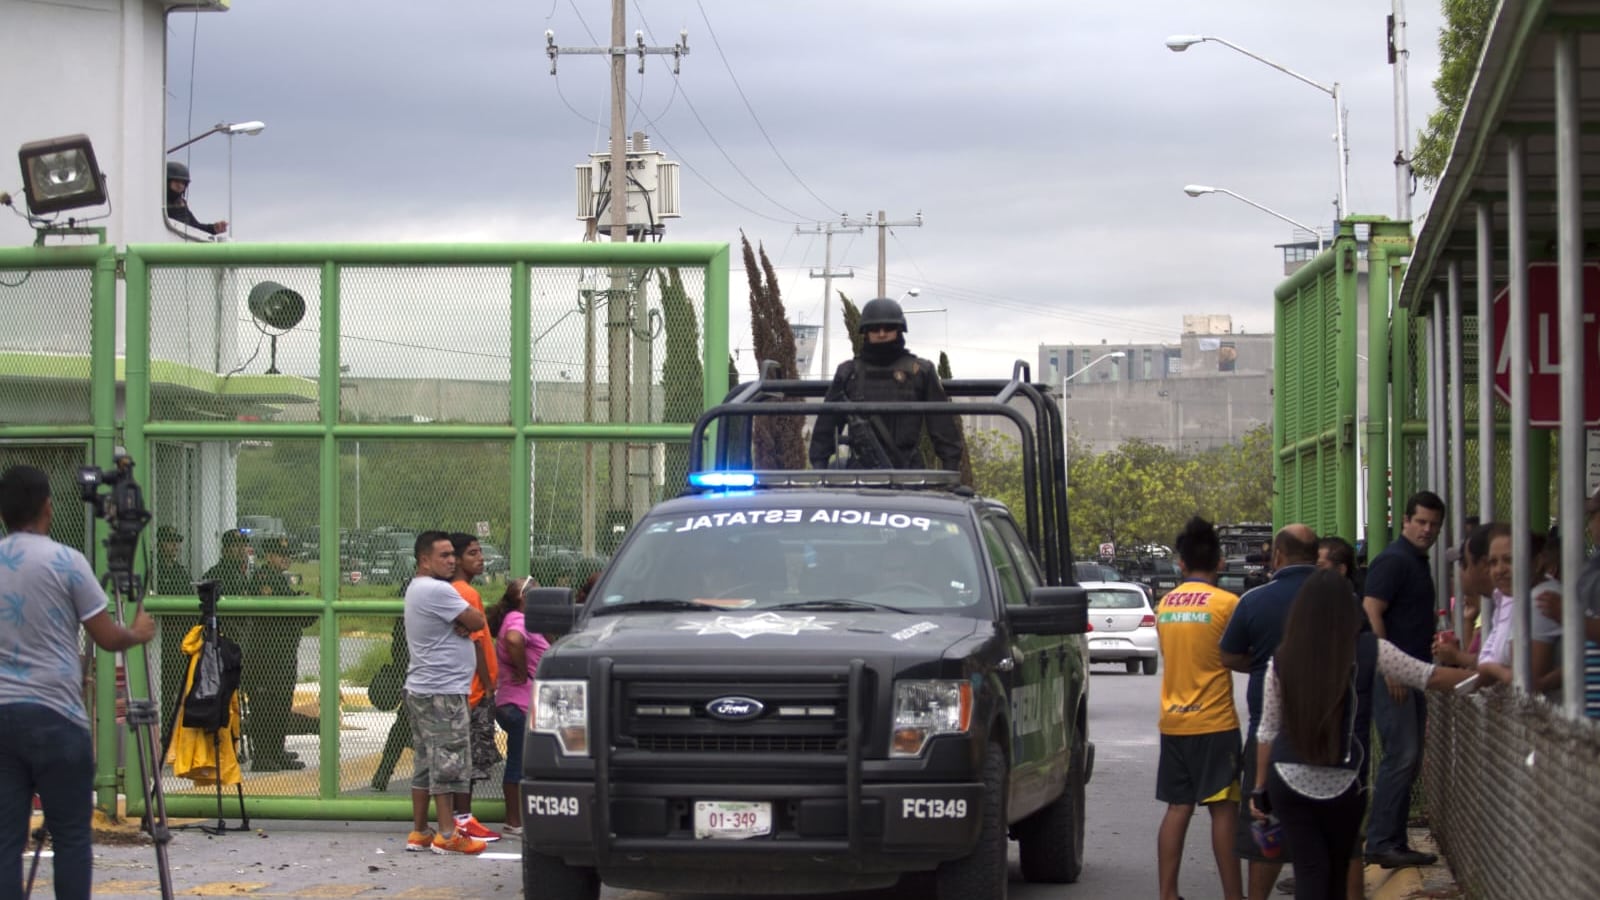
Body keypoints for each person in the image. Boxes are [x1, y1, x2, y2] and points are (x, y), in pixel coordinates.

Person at [1250, 570, 1475, 900]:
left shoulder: (1283, 658)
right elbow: (1429, 676)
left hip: (1288, 779)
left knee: (1309, 871)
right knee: (1337, 872)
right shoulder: (1371, 649)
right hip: (1345, 783)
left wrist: (1259, 788)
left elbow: (1268, 728)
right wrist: (1486, 674)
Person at [0, 465, 157, 900]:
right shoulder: (67, 562)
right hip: (57, 719)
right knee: (71, 839)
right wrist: (138, 632)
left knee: (5, 844)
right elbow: (107, 638)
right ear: (48, 508)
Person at [1219, 524, 1319, 900]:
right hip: (1330, 736)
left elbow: (1227, 654)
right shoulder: (1339, 599)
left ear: (1277, 556)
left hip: (1270, 738)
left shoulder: (1255, 601)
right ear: (1315, 556)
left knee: (1266, 824)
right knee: (1328, 831)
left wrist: (1263, 665)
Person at [1154, 517, 1244, 900]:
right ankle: (1233, 896)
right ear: (1220, 562)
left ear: (1181, 563)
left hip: (1174, 721)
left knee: (1178, 807)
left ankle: (1168, 893)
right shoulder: (1228, 605)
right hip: (1215, 722)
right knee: (1223, 810)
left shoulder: (1164, 605)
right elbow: (1237, 657)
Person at [1361, 490, 1444, 869]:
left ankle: (1392, 839)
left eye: (1433, 524)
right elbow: (1371, 609)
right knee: (1401, 756)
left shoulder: (1416, 561)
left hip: (1414, 673)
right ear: (1406, 521)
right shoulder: (1394, 561)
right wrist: (1388, 665)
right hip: (1395, 675)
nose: (1427, 530)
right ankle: (1381, 841)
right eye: (1421, 522)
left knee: (1408, 760)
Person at [403, 531, 488, 855]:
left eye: (453, 554)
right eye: (444, 555)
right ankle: (448, 834)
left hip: (422, 688)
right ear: (425, 559)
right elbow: (477, 618)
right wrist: (468, 622)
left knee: (426, 761)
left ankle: (420, 831)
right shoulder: (438, 590)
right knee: (449, 761)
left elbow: (470, 622)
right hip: (443, 691)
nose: (452, 560)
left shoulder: (416, 588)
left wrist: (467, 623)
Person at [807, 297, 964, 471]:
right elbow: (825, 430)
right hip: (860, 474)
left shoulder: (919, 372)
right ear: (866, 332)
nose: (882, 333)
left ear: (899, 330)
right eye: (875, 328)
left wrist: (951, 472)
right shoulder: (849, 373)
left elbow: (943, 429)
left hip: (908, 472)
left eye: (888, 328)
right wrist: (819, 472)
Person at [447, 533, 501, 843]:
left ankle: (460, 817)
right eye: (472, 553)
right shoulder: (465, 593)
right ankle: (463, 819)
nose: (480, 558)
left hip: (469, 689)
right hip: (474, 690)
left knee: (465, 757)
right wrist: (489, 685)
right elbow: (477, 643)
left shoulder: (459, 591)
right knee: (467, 758)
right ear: (456, 559)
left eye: (480, 552)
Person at [488, 575, 552, 837]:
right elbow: (514, 640)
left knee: (522, 760)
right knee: (518, 762)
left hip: (519, 703)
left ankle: (520, 818)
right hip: (517, 703)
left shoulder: (523, 619)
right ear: (523, 598)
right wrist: (522, 669)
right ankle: (514, 821)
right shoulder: (518, 619)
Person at [241, 536, 309, 772]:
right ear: (269, 556)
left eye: (287, 555)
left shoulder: (280, 580)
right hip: (265, 656)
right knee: (264, 706)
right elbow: (275, 611)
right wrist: (297, 604)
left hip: (283, 655)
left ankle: (277, 750)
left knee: (281, 703)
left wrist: (299, 603)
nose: (285, 559)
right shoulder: (264, 578)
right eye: (280, 555)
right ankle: (263, 755)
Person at [165, 161, 227, 236]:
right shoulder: (159, 202)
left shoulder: (182, 205)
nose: (180, 186)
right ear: (167, 182)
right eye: (176, 181)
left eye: (183, 183)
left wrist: (213, 228)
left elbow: (195, 227)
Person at [202, 529, 253, 597]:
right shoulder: (214, 574)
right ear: (224, 550)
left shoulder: (242, 573)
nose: (242, 549)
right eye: (236, 545)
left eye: (245, 545)